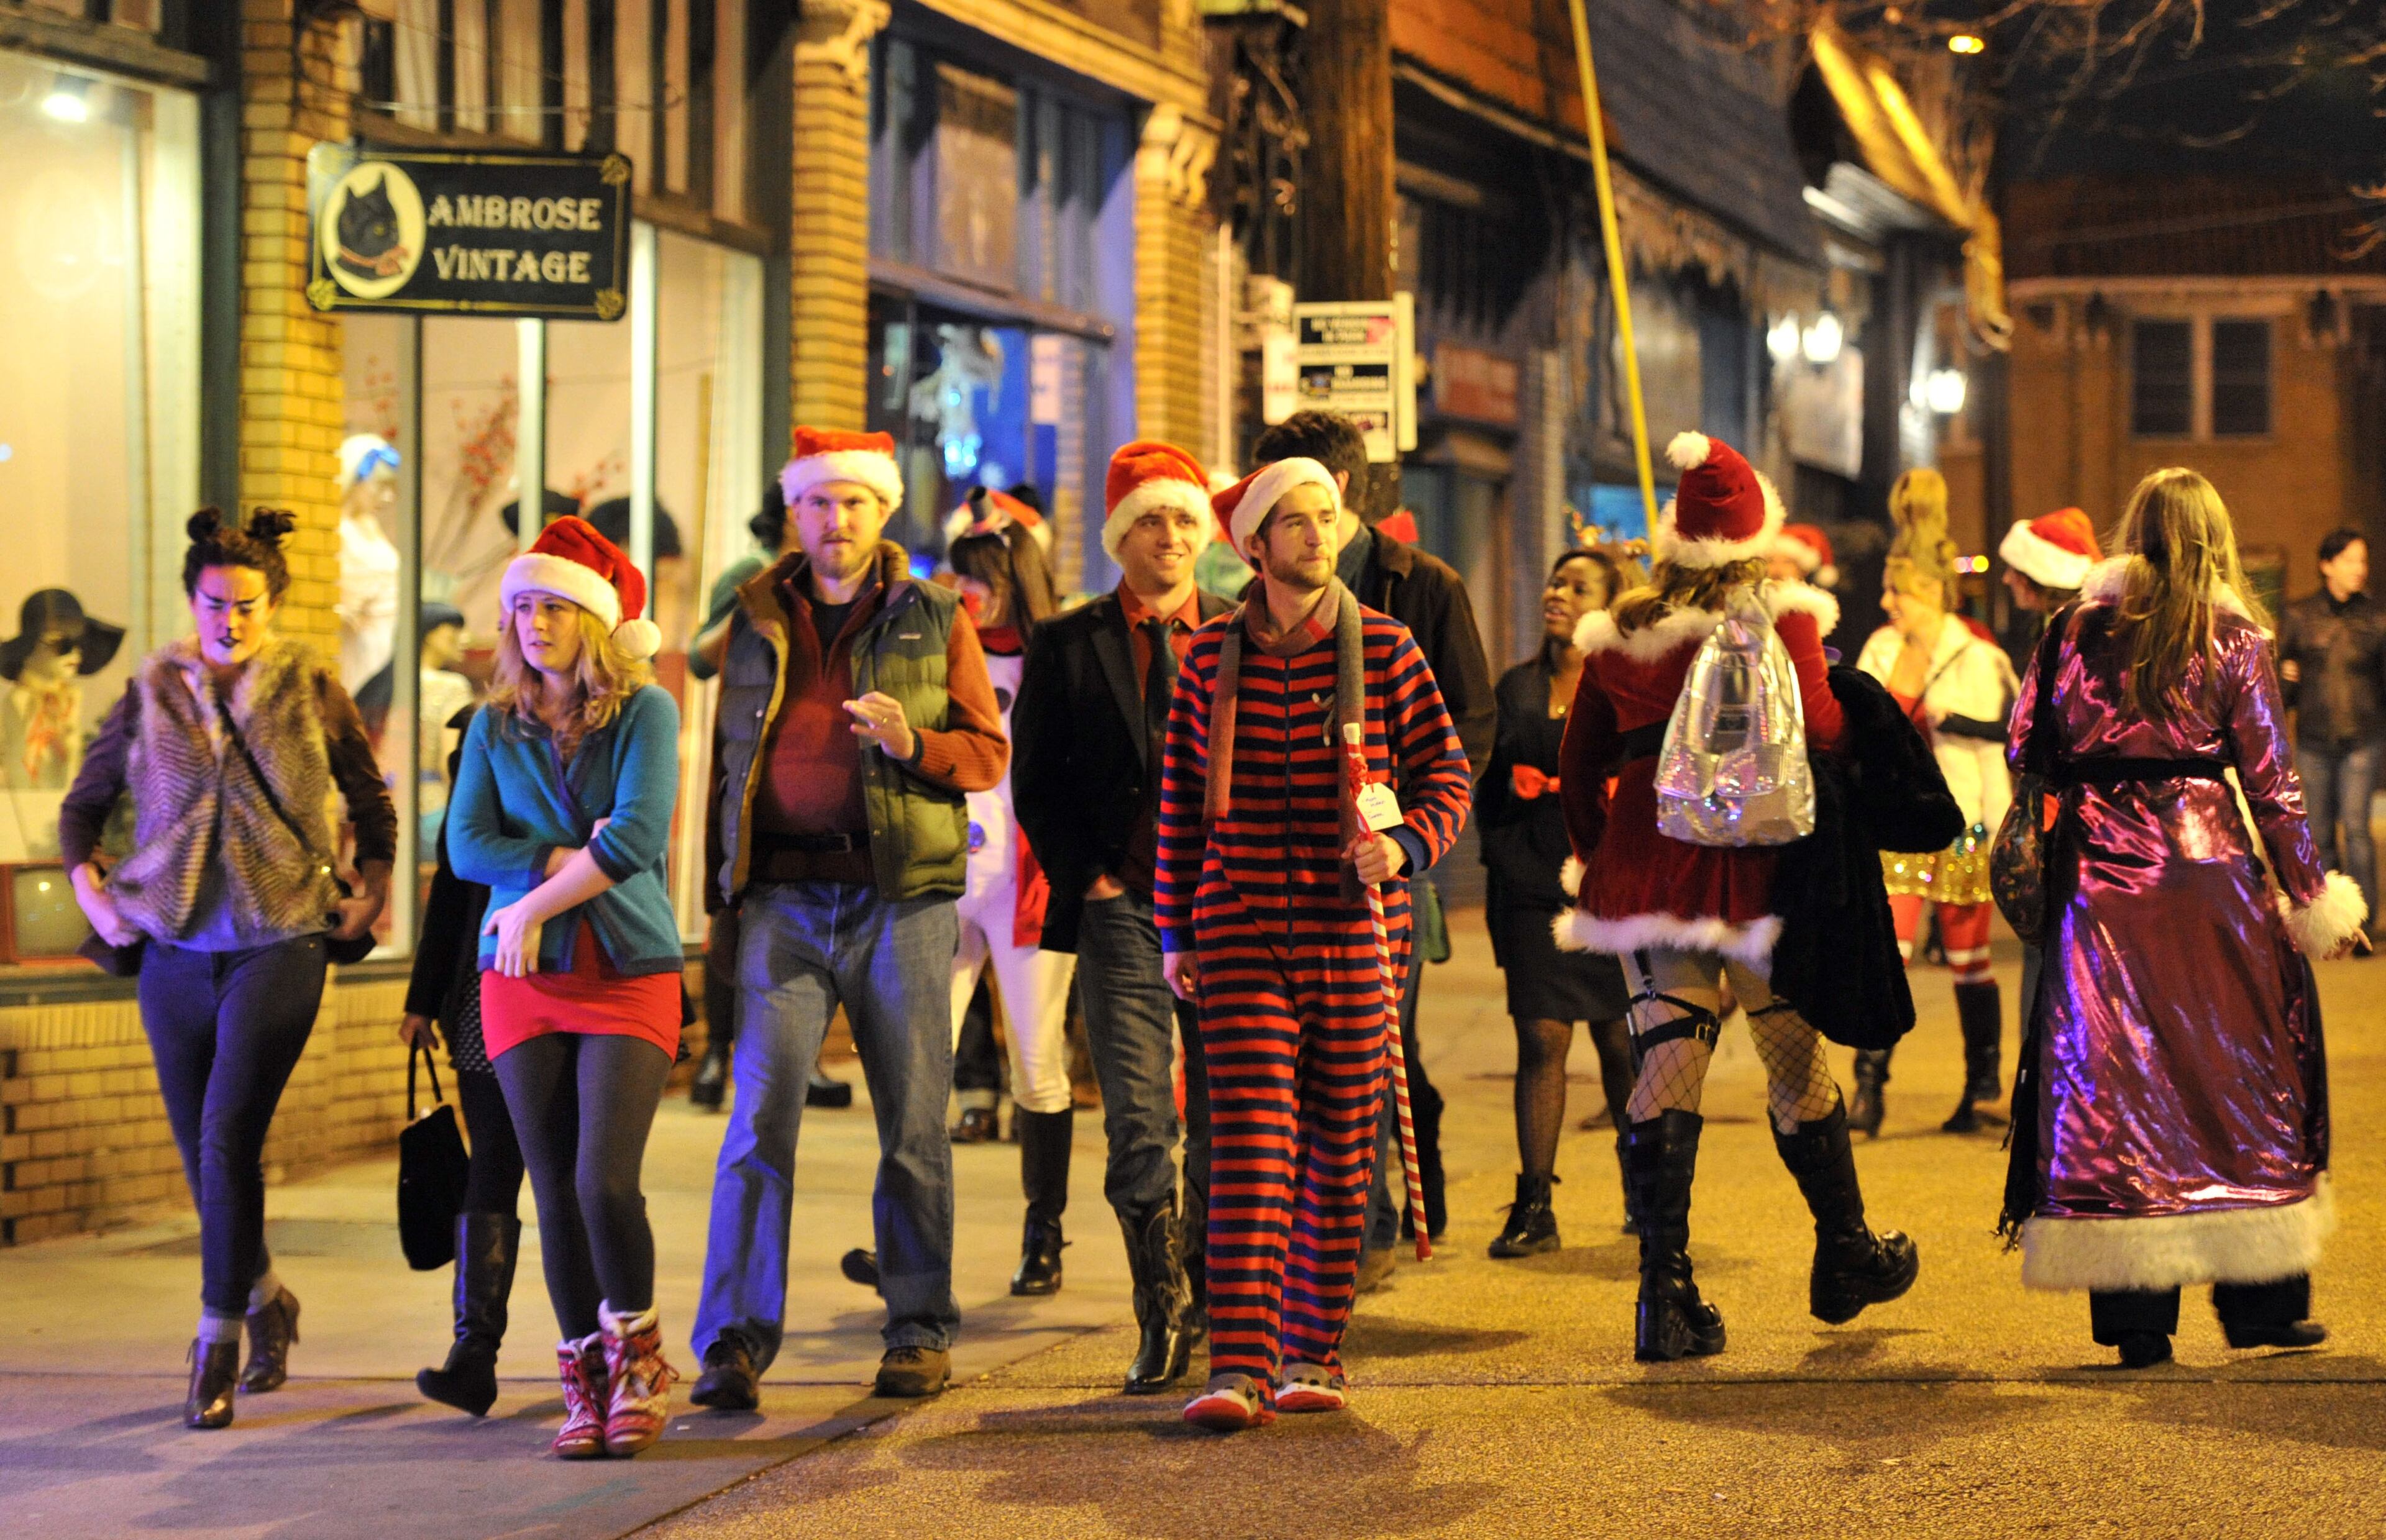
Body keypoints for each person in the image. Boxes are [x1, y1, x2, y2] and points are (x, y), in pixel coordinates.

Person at [1555, 432, 1917, 1364]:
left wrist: (1601, 855)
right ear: (1755, 532)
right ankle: (1844, 1250)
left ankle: (1662, 1295)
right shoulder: (1781, 617)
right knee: (1793, 1058)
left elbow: (1579, 759)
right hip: (1757, 868)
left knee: (1668, 1060)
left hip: (1649, 866)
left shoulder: (1621, 633)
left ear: (1676, 535)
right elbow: (1826, 726)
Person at [2001, 467, 2361, 1368]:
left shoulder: (2070, 631)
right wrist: (2313, 895)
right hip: (2208, 875)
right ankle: (2261, 1301)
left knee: (2115, 1084)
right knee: (2243, 1073)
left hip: (2099, 881)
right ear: (2215, 539)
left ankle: (2136, 1320)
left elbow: (2024, 744)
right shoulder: (2233, 634)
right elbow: (2274, 784)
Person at [689, 427, 1008, 1408]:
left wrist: (916, 742)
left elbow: (987, 753)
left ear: (883, 513)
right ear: (799, 512)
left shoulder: (934, 614)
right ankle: (735, 1340)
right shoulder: (751, 618)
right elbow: (724, 764)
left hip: (898, 899)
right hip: (780, 900)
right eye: (822, 503)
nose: (838, 521)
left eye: (858, 503)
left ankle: (917, 1326)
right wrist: (720, 897)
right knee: (756, 1122)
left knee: (913, 1123)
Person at [60, 509, 396, 1429]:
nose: (230, 621)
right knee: (201, 1154)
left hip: (280, 934)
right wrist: (94, 898)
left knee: (226, 1135)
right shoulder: (153, 687)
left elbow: (370, 794)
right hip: (173, 948)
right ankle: (268, 1299)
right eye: (215, 603)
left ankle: (214, 1340)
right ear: (192, 599)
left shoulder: (307, 682)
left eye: (248, 605)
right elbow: (82, 808)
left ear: (273, 603)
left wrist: (374, 886)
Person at [1159, 455, 1472, 1431]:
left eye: (1326, 517)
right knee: (1252, 1140)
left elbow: (1448, 779)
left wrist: (1404, 843)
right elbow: (1177, 803)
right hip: (1239, 915)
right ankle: (1238, 1365)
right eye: (1293, 522)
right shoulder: (1209, 657)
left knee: (1342, 1141)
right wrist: (1174, 926)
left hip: (1354, 923)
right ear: (1252, 545)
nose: (1315, 535)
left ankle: (1313, 1349)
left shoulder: (1385, 647)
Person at [447, 515, 684, 1459]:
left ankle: (641, 1359)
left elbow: (634, 840)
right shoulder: (494, 723)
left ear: (590, 619)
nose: (536, 622)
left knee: (602, 1179)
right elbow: (466, 844)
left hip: (627, 970)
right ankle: (585, 1378)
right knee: (551, 1184)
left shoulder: (645, 711)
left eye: (554, 605)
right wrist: (550, 874)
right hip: (521, 978)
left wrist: (532, 898)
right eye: (522, 607)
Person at [1249, 409, 1493, 1284]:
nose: (1298, 524)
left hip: (1385, 868)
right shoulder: (1245, 602)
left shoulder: (1416, 586)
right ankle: (1303, 1241)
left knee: (1377, 1049)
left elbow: (1465, 724)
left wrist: (1409, 833)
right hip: (1269, 881)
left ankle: (1370, 1227)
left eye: (1305, 499)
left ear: (1340, 490)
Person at [1013, 440, 1232, 1393]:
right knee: (1141, 1113)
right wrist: (1091, 879)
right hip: (1123, 905)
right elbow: (1037, 783)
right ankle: (1160, 1308)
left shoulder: (1237, 634)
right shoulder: (1067, 642)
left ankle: (1220, 1292)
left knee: (1230, 1105)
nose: (1172, 536)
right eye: (1153, 520)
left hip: (1229, 904)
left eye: (1186, 520)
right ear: (1121, 535)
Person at [1851, 471, 2019, 1136]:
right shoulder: (1880, 649)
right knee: (1885, 953)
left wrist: (2006, 835)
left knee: (1969, 960)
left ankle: (1981, 1084)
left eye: (1897, 589)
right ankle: (1870, 1086)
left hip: (1962, 826)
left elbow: (1990, 753)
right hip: (1896, 824)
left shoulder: (1975, 655)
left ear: (1925, 589)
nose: (1887, 600)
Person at [1480, 549, 1637, 1256]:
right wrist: (1504, 798)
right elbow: (1478, 782)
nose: (1557, 593)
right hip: (1527, 883)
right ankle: (1535, 1204)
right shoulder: (1515, 686)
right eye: (1554, 581)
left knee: (1617, 1040)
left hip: (1603, 882)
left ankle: (1645, 1191)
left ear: (1607, 605)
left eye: (1578, 587)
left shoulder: (1626, 683)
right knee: (1541, 1038)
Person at [940, 487, 1077, 1293]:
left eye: (981, 576)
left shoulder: (1056, 656)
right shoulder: (935, 652)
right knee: (921, 1064)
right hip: (944, 881)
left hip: (1027, 887)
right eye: (959, 578)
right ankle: (914, 1241)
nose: (967, 592)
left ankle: (1044, 1236)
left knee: (1035, 1064)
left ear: (1014, 572)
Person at [684, 485, 854, 1114]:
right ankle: (715, 1054)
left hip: (811, 768)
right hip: (751, 751)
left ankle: (793, 1058)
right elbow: (702, 657)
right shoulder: (747, 571)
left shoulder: (836, 582)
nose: (830, 520)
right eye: (814, 505)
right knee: (735, 916)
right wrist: (753, 605)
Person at [398, 702, 526, 1418]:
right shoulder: (472, 784)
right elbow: (450, 894)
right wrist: (422, 998)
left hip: (574, 991)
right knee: (496, 1166)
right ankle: (473, 1353)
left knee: (583, 1177)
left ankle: (606, 1349)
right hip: (482, 995)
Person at [2277, 527, 2384, 933]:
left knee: (2356, 826)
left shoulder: (2376, 618)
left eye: (2363, 561)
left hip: (2363, 738)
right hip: (2314, 739)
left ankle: (2365, 921)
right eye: (2351, 561)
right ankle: (2331, 922)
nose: (2360, 569)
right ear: (2327, 565)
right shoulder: (2300, 615)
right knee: (2319, 831)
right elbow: (2283, 676)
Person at [336, 434, 403, 702]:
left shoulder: (371, 528)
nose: (387, 498)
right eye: (380, 486)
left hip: (387, 637)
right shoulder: (340, 532)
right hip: (357, 643)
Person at [1768, 523, 1839, 591]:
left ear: (1802, 571)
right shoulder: (1758, 601)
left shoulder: (1811, 603)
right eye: (1771, 561)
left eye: (1787, 562)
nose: (1778, 569)